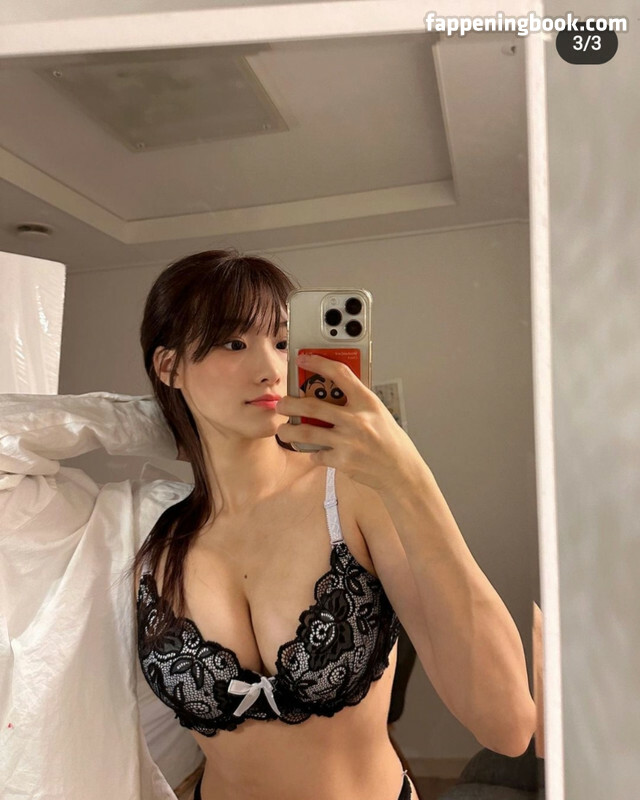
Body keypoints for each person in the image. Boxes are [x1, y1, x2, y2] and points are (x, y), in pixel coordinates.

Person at [0, 250, 536, 800]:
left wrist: (410, 478)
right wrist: (151, 420)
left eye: (282, 342)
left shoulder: (353, 495)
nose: (271, 369)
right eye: (233, 343)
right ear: (169, 366)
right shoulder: (147, 531)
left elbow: (509, 727)